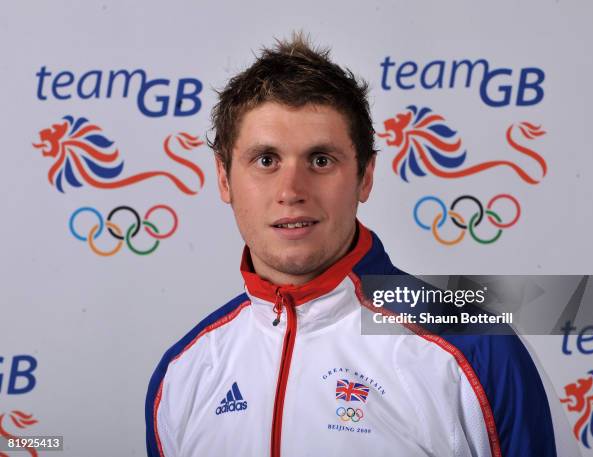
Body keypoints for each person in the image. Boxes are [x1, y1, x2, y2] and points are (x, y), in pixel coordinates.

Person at [145, 33, 556, 457]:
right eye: (266, 160)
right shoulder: (184, 372)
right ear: (225, 178)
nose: (291, 190)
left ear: (365, 176)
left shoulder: (474, 344)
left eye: (321, 160)